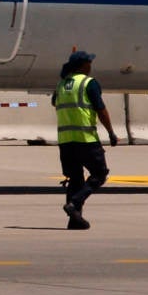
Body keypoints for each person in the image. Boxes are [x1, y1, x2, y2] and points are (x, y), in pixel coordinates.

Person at [51, 49, 117, 230]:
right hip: (86, 139)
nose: (91, 65)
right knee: (99, 174)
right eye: (89, 62)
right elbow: (100, 109)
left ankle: (74, 220)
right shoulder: (89, 83)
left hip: (65, 141)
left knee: (75, 179)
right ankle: (74, 203)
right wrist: (111, 132)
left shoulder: (61, 84)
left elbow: (55, 102)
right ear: (83, 65)